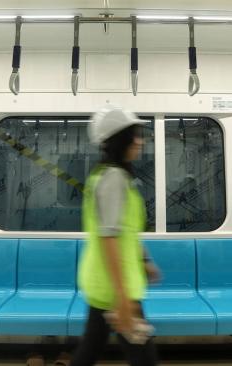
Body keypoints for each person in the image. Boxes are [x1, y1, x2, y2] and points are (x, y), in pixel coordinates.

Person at [71, 105, 160, 366]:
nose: (140, 141)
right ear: (120, 139)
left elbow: (125, 232)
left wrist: (143, 260)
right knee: (144, 358)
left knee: (91, 348)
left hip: (106, 282)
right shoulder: (113, 179)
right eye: (135, 135)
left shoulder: (109, 175)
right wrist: (122, 298)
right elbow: (109, 237)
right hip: (115, 286)